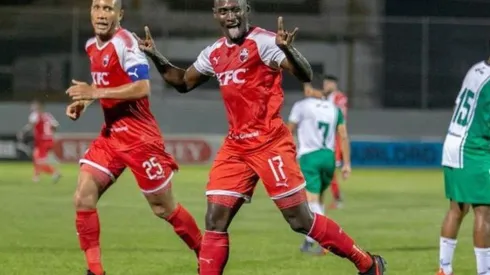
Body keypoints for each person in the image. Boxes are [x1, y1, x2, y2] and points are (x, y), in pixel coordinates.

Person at [134, 0, 386, 274]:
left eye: (235, 9)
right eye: (224, 11)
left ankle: (367, 263)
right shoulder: (215, 53)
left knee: (299, 219)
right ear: (216, 15)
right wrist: (155, 55)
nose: (230, 16)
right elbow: (183, 82)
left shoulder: (264, 42)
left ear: (246, 11)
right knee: (215, 220)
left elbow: (304, 73)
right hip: (236, 147)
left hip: (270, 143)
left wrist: (289, 50)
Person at [64, 1, 202, 274]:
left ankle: (205, 251)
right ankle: (95, 271)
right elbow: (104, 86)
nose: (102, 14)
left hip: (140, 138)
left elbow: (142, 87)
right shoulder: (92, 45)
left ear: (120, 14)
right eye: (97, 7)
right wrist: (85, 102)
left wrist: (95, 93)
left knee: (164, 209)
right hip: (112, 135)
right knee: (83, 196)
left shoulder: (126, 43)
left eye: (108, 8)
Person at [436, 60, 490, 275]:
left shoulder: (477, 68)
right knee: (484, 213)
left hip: (454, 141)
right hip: (473, 149)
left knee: (457, 209)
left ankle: (444, 268)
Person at [288, 81, 351, 255]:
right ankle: (308, 243)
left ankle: (323, 243)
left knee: (312, 201)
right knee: (320, 200)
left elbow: (289, 131)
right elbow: (343, 136)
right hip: (328, 157)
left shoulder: (301, 106)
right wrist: (346, 163)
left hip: (310, 156)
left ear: (309, 89)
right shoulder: (334, 109)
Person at [17, 100, 61, 183]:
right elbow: (56, 126)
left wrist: (22, 132)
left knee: (39, 161)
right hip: (50, 140)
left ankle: (54, 172)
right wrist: (52, 134)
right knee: (36, 156)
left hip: (42, 141)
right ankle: (36, 176)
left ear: (38, 107)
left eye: (34, 106)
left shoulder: (35, 115)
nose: (32, 108)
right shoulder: (48, 115)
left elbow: (31, 125)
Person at [323, 74, 348, 209]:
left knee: (330, 170)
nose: (325, 86)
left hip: (335, 139)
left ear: (334, 84)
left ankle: (337, 199)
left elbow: (340, 118)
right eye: (325, 83)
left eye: (328, 84)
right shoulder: (323, 97)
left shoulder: (340, 98)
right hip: (323, 138)